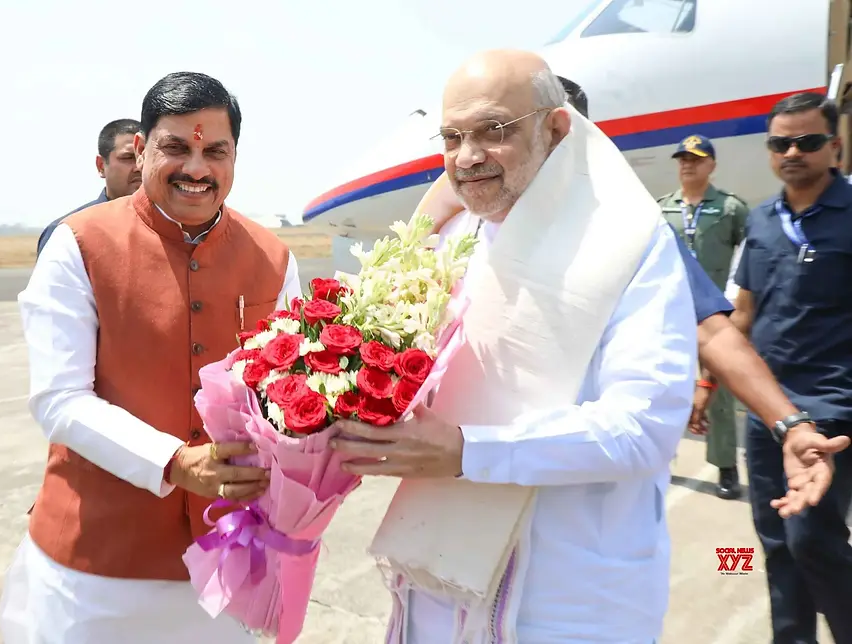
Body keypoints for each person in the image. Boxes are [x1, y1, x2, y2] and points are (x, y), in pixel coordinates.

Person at [333, 48, 698, 643]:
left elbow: (644, 427)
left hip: (567, 604)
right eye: (452, 137)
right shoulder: (450, 235)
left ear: (556, 129)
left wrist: (468, 452)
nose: (468, 156)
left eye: (492, 131)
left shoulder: (629, 246)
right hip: (434, 593)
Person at [413, 78, 849, 520]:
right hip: (461, 501)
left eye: (502, 130)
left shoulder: (628, 234)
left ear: (562, 134)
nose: (476, 152)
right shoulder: (462, 230)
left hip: (574, 503)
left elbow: (713, 332)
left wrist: (789, 422)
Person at [0, 72, 302, 643]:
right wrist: (177, 464)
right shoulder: (78, 244)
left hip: (226, 563)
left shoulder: (274, 258)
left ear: (235, 156)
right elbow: (59, 400)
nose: (197, 168)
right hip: (93, 573)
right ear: (141, 150)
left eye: (215, 151)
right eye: (176, 148)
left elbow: (294, 397)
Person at [730, 91, 852, 644]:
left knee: (813, 541)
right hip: (766, 412)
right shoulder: (762, 220)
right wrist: (709, 383)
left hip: (830, 410)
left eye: (808, 141)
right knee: (777, 543)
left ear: (836, 146)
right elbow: (745, 314)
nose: (793, 152)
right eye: (781, 143)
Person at [657, 135, 749, 499]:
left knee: (720, 394)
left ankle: (725, 465)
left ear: (711, 164)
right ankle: (661, 460)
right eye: (682, 159)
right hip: (672, 313)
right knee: (668, 389)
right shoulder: (661, 208)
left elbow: (747, 260)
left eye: (696, 159)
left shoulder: (730, 209)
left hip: (715, 316)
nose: (687, 165)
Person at [36, 118, 143, 256]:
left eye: (145, 157)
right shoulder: (69, 233)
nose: (139, 167)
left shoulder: (173, 228)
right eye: (128, 158)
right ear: (101, 166)